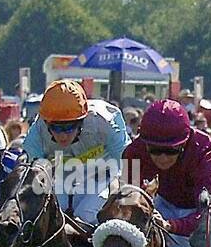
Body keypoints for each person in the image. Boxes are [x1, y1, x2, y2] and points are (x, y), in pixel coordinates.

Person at [121, 99, 211, 247]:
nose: (162, 157)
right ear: (144, 142)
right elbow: (128, 201)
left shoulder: (206, 151)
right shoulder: (134, 152)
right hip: (167, 202)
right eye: (154, 150)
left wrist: (172, 226)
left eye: (171, 150)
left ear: (184, 142)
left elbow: (209, 213)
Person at [22, 79, 130, 226]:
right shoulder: (36, 133)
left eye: (69, 127)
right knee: (54, 213)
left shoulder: (107, 121)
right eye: (56, 128)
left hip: (102, 175)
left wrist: (117, 190)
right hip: (63, 175)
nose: (62, 135)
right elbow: (34, 175)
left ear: (82, 120)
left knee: (85, 214)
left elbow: (127, 164)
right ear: (46, 122)